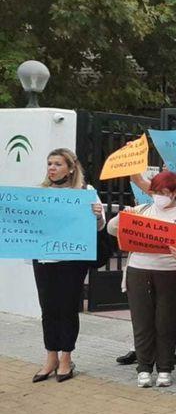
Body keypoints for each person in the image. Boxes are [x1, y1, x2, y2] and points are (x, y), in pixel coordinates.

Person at [106, 170, 176, 388]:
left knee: (166, 322)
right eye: (156, 191)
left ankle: (165, 368)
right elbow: (112, 229)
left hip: (171, 275)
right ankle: (144, 368)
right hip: (139, 271)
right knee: (142, 322)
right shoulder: (143, 210)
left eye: (165, 192)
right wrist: (124, 217)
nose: (160, 196)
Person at [30, 148, 106, 383]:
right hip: (44, 259)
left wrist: (98, 215)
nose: (52, 168)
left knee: (67, 308)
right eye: (49, 163)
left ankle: (66, 358)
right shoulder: (40, 193)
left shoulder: (85, 192)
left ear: (71, 168)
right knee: (48, 309)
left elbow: (99, 228)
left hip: (72, 261)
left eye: (57, 164)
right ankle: (50, 357)